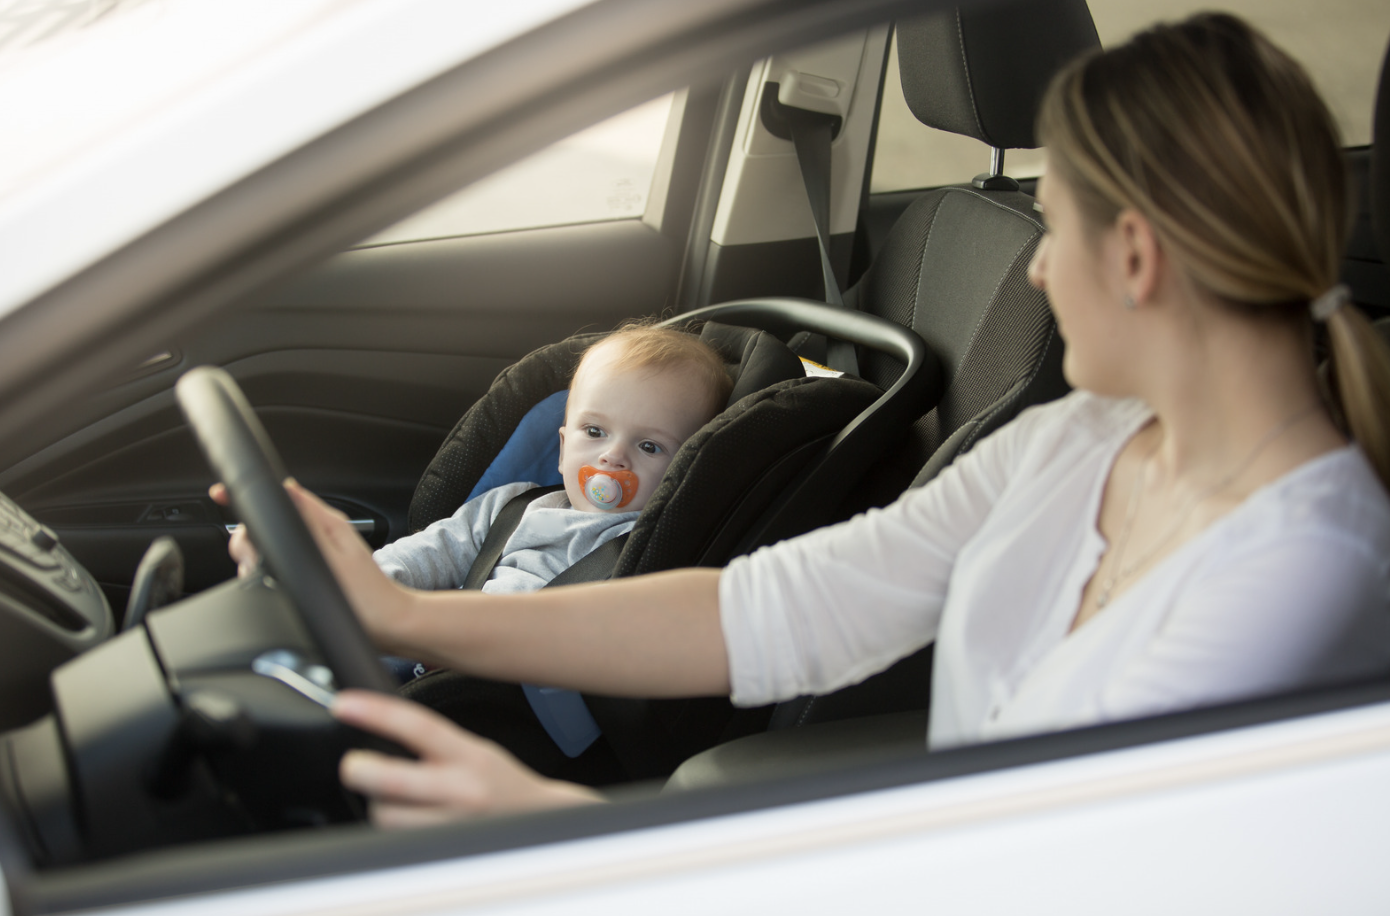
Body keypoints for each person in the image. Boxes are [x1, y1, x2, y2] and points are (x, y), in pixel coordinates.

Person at [266, 13, 1390, 828]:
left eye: (1051, 231)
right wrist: (405, 614)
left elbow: (1041, 867)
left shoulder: (1297, 572)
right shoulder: (1082, 441)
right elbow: (775, 610)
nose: (1037, 273)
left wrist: (559, 831)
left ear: (1135, 255)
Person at [226, 323, 732, 774]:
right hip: (421, 657)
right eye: (594, 431)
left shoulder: (651, 551)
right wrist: (352, 583)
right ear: (561, 448)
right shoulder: (511, 506)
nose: (612, 455)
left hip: (511, 708)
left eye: (649, 446)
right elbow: (429, 553)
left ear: (684, 468)